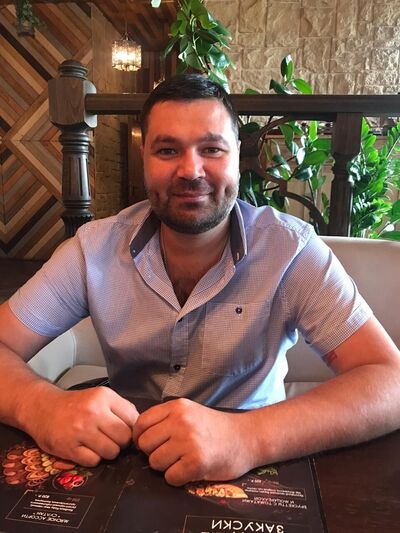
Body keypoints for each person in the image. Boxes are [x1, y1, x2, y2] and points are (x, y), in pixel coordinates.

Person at [0, 74, 399, 488]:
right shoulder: (93, 250)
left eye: (211, 149)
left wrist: (248, 437)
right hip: (124, 464)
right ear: (144, 157)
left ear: (237, 155)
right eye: (167, 150)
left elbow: (390, 381)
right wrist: (40, 406)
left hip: (255, 470)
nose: (190, 171)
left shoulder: (291, 252)